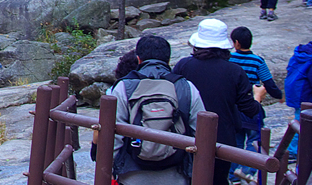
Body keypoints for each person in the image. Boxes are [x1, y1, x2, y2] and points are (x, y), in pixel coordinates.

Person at [173, 19, 262, 185]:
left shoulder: (183, 66)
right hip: (221, 139)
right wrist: (258, 96)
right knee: (218, 180)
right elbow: (250, 110)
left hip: (185, 136)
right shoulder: (235, 71)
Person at [110, 34, 205, 185]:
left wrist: (113, 169)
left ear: (138, 59)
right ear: (168, 60)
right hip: (176, 176)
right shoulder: (186, 87)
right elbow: (201, 134)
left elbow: (113, 136)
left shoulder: (124, 87)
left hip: (131, 176)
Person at [230, 25, 284, 183]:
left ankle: (233, 175)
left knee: (236, 142)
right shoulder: (258, 61)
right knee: (255, 140)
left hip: (234, 107)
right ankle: (247, 171)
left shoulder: (230, 59)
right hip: (252, 105)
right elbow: (269, 83)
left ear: (236, 43)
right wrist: (279, 95)